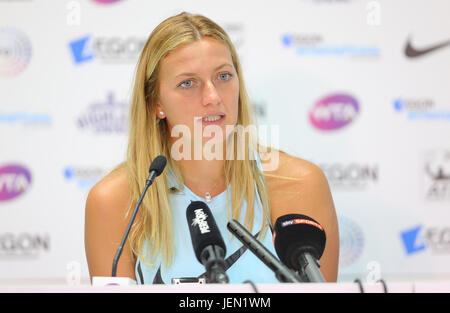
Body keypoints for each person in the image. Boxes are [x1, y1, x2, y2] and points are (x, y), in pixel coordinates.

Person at [84, 12, 339, 284]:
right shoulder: (115, 202)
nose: (213, 97)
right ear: (155, 103)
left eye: (224, 76)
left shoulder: (298, 184)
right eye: (187, 83)